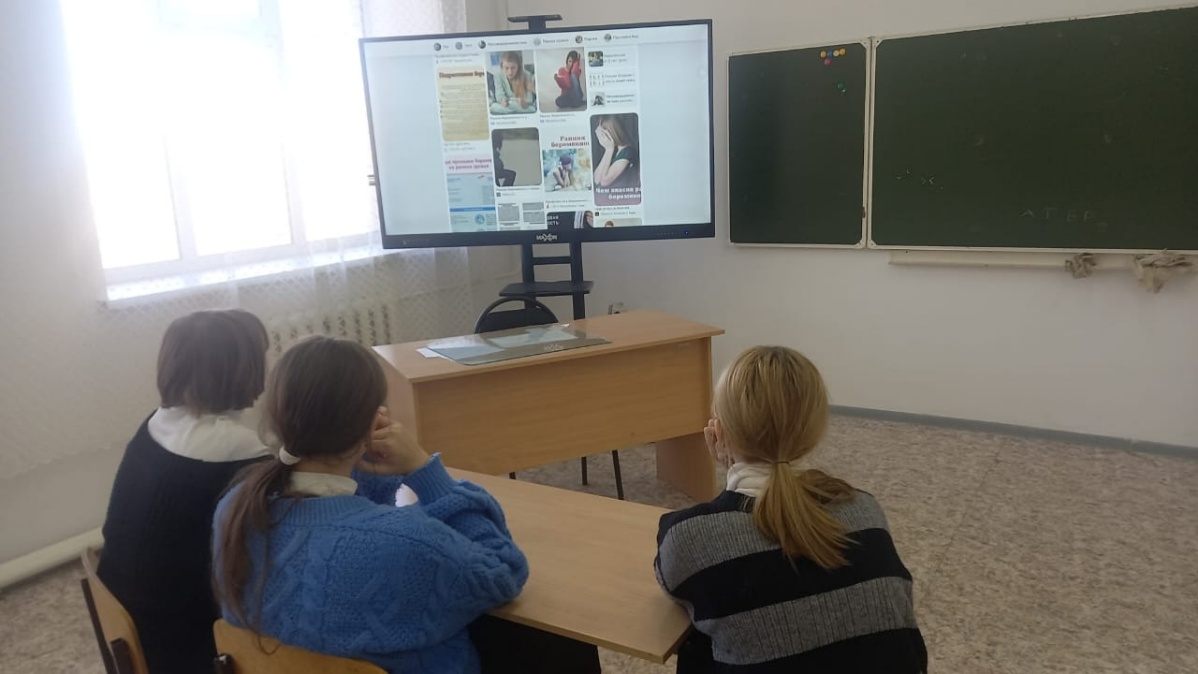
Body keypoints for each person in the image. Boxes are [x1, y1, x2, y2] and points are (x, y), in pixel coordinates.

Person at [212, 336, 596, 674]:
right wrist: (425, 472)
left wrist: (364, 458)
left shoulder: (236, 509)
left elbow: (343, 524)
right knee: (560, 641)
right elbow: (504, 571)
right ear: (370, 423)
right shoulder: (409, 541)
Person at [655, 346, 928, 674]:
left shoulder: (689, 538)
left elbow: (683, 579)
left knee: (698, 638)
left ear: (719, 433)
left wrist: (730, 471)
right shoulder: (865, 509)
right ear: (815, 432)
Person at [97, 309, 271, 674]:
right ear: (241, 370)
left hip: (126, 614)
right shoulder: (235, 450)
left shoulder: (157, 423)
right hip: (180, 646)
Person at [593, 115, 639, 189]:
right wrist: (608, 150)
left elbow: (604, 181)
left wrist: (609, 149)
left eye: (602, 134)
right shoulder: (613, 151)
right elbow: (596, 179)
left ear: (611, 133)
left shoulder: (628, 152)